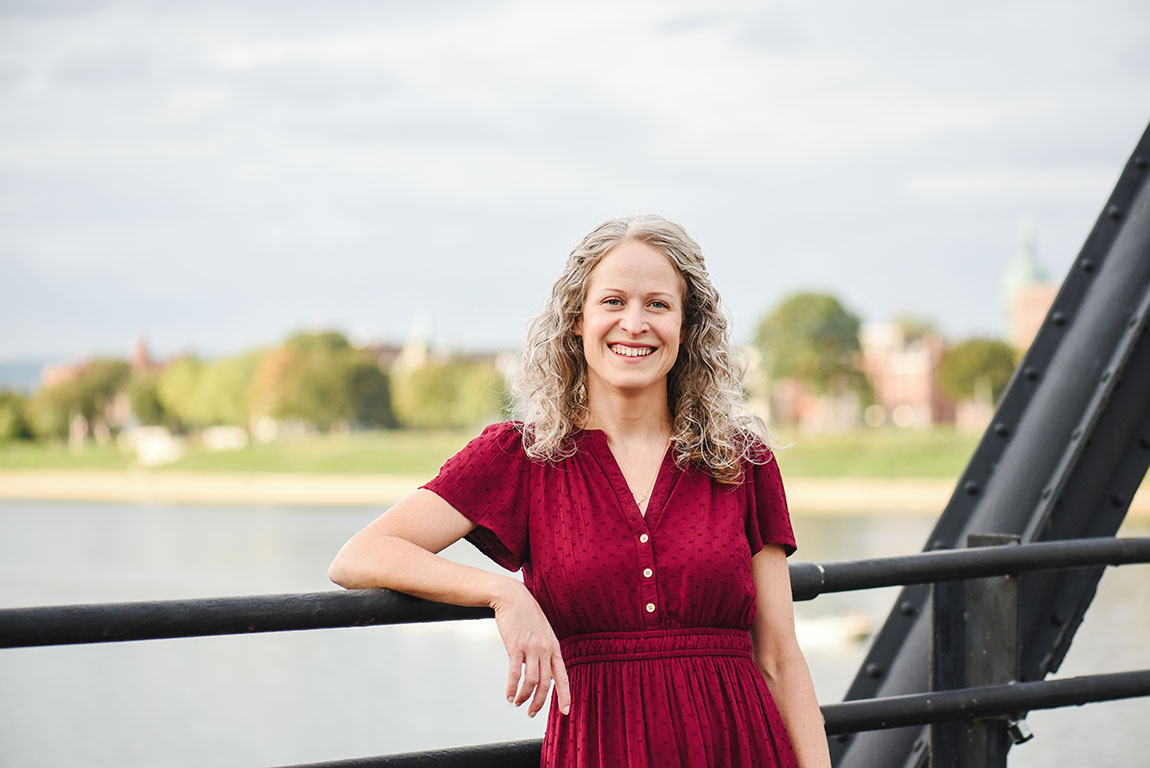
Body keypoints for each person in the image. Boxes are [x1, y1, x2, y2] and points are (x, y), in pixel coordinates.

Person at [329, 215, 832, 768]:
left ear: (688, 327)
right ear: (576, 320)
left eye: (658, 305)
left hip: (743, 749)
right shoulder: (521, 457)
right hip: (600, 750)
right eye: (612, 301)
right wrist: (504, 594)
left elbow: (780, 658)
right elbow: (361, 556)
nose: (634, 323)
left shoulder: (739, 460)